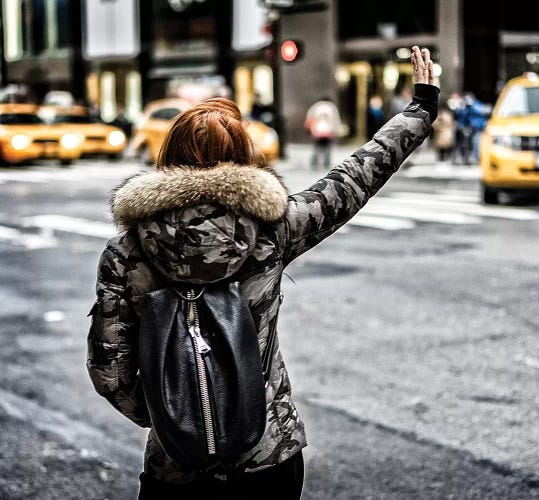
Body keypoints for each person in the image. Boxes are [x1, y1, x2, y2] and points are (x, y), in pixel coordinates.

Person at [87, 45, 439, 499]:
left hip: (176, 466)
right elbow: (355, 177)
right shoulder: (274, 228)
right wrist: (421, 108)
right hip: (267, 453)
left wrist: (174, 416)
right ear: (241, 157)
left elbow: (110, 373)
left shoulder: (127, 253)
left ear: (168, 155)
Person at [304, 96, 342, 168]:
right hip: (328, 130)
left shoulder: (315, 106)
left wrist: (308, 129)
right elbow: (336, 119)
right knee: (327, 147)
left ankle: (314, 161)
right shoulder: (332, 107)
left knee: (317, 146)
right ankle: (326, 162)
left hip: (317, 130)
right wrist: (338, 129)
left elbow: (309, 118)